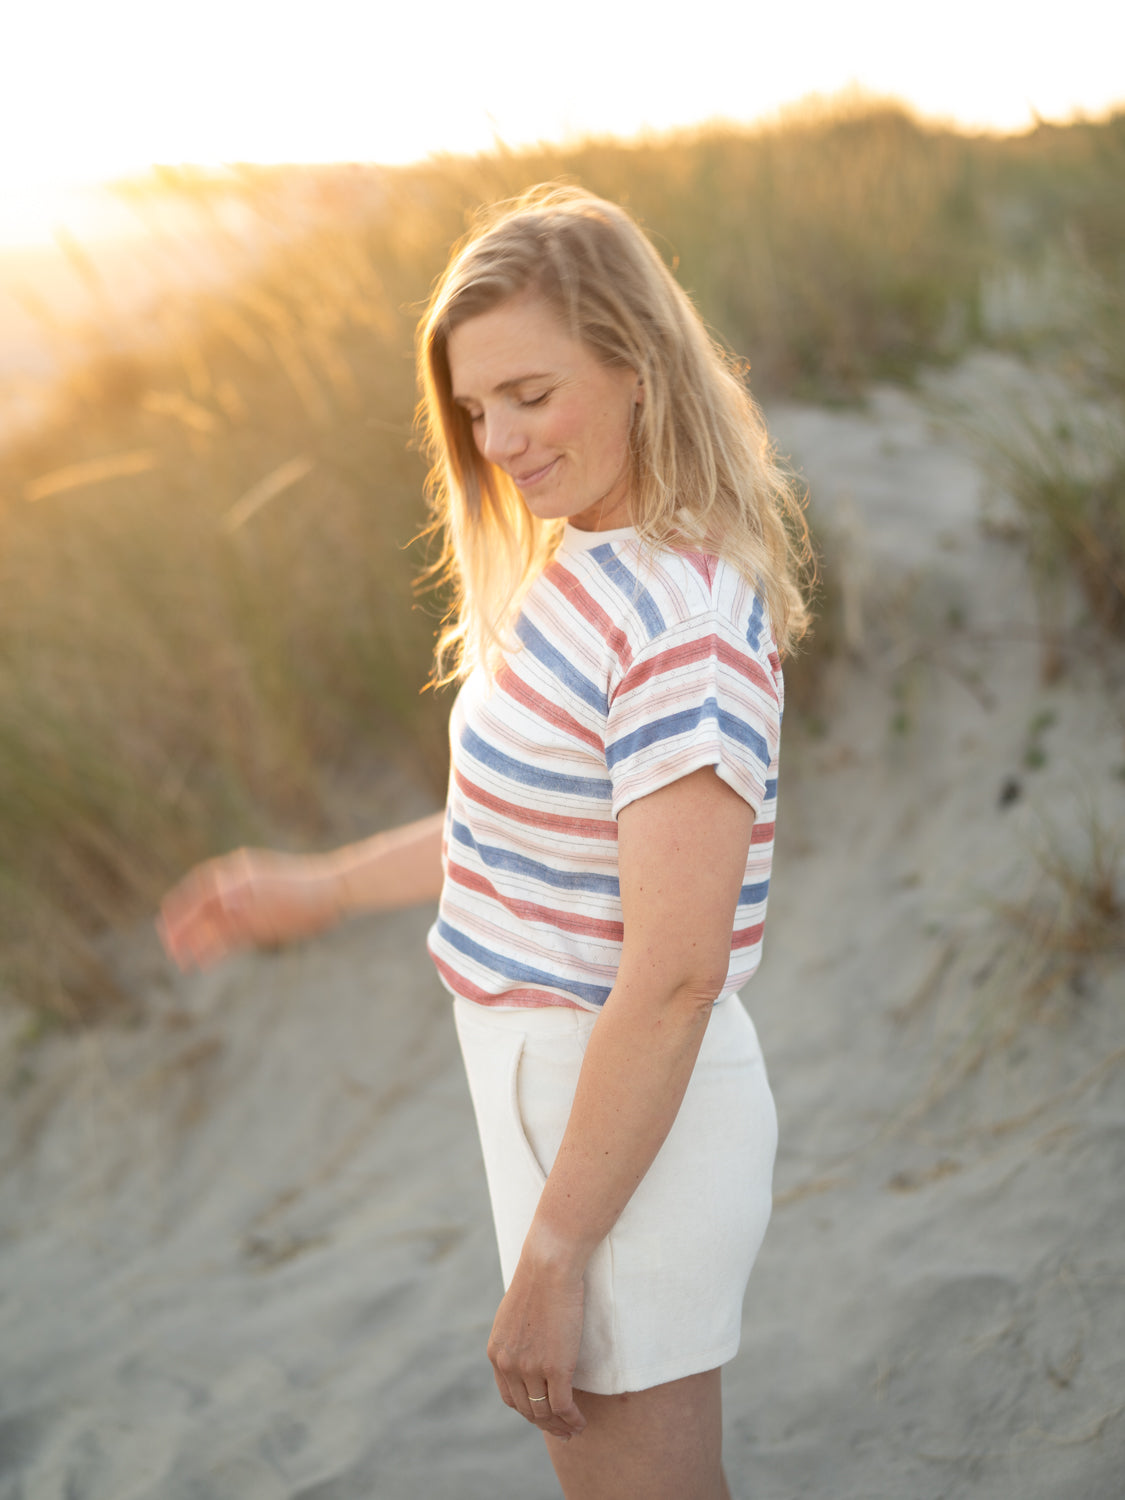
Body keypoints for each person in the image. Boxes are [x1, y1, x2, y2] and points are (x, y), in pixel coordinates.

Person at [158, 184, 810, 1500]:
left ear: (634, 364)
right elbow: (527, 830)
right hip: (569, 1115)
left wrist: (560, 1253)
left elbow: (675, 971)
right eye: (472, 408)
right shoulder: (590, 560)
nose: (497, 439)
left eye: (530, 392)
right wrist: (320, 887)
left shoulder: (679, 622)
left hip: (624, 1132)